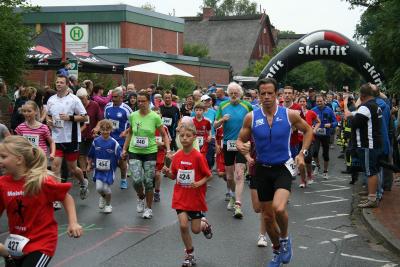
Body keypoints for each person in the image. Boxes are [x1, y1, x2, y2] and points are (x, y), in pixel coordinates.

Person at [236, 78, 313, 267]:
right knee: (268, 217)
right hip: (262, 169)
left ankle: (285, 239)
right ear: (258, 95)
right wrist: (243, 149)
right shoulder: (251, 117)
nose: (267, 96)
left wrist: (302, 154)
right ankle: (277, 250)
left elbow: (308, 130)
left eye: (270, 93)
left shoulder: (290, 114)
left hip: (283, 168)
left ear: (276, 94)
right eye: (263, 93)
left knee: (279, 208)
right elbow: (240, 140)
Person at [0, 136, 83, 266]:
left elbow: (66, 197)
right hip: (16, 244)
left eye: (3, 157)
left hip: (41, 243)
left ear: (19, 159)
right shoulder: (2, 184)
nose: (0, 161)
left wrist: (73, 223)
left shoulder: (40, 180)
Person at [162, 123, 213, 267]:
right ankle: (189, 254)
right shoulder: (177, 156)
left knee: (195, 230)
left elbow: (209, 176)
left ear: (194, 137)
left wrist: (199, 183)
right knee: (183, 225)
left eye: (188, 136)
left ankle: (204, 224)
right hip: (180, 196)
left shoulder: (198, 156)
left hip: (195, 198)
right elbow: (174, 176)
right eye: (182, 136)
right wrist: (168, 172)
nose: (184, 138)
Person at [122, 91, 171, 219]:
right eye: (139, 101)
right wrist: (124, 149)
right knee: (136, 180)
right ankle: (140, 197)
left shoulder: (155, 117)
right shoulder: (133, 115)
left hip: (150, 152)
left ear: (149, 102)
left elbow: (164, 134)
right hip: (134, 151)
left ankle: (148, 208)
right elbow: (130, 133)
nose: (141, 103)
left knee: (148, 182)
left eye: (143, 101)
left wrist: (168, 149)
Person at [46, 75, 89, 206]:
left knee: (72, 168)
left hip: (72, 138)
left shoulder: (74, 99)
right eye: (57, 82)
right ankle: (57, 197)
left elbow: (84, 117)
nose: (58, 84)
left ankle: (83, 182)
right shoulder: (51, 100)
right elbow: (48, 115)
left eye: (61, 82)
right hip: (56, 138)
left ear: (67, 85)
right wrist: (48, 121)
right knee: (55, 167)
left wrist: (69, 118)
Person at [214, 82, 252, 219]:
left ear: (240, 94)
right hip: (228, 143)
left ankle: (238, 204)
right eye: (231, 93)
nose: (234, 95)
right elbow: (215, 124)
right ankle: (231, 194)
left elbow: (254, 121)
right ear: (228, 94)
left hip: (242, 143)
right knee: (229, 177)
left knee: (240, 174)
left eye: (236, 93)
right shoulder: (223, 106)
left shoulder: (247, 106)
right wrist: (222, 120)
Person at [344, 84, 382, 208]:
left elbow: (354, 123)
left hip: (367, 145)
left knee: (370, 171)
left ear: (362, 95)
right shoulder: (375, 106)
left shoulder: (366, 107)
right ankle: (372, 194)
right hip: (374, 143)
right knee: (372, 170)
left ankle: (372, 198)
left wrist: (352, 113)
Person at [87, 120, 122, 214]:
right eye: (103, 130)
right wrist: (89, 165)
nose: (105, 132)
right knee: (99, 188)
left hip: (109, 171)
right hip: (98, 170)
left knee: (106, 188)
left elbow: (120, 156)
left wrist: (122, 163)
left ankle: (108, 205)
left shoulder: (114, 143)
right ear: (100, 130)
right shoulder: (96, 141)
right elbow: (90, 155)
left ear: (111, 130)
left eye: (107, 129)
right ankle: (103, 196)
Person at [103, 87, 132, 189]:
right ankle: (107, 177)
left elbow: (133, 124)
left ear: (121, 97)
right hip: (109, 138)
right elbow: (105, 121)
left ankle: (123, 179)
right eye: (112, 97)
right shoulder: (107, 107)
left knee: (121, 161)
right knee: (108, 158)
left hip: (121, 139)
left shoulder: (127, 109)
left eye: (115, 97)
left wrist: (126, 132)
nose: (113, 99)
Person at [76, 88, 103, 180]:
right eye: (78, 98)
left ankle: (94, 168)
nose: (80, 100)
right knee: (81, 154)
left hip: (92, 134)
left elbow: (100, 119)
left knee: (92, 154)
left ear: (87, 97)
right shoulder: (76, 106)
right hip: (81, 134)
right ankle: (84, 174)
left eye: (82, 98)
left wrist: (97, 128)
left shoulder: (94, 105)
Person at [311, 94, 338, 179]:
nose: (319, 103)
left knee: (325, 154)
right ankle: (317, 166)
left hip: (326, 135)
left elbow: (336, 122)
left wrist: (330, 125)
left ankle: (325, 171)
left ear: (324, 101)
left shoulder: (329, 110)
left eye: (320, 101)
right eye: (317, 101)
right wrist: (312, 126)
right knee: (315, 152)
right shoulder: (313, 110)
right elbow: (309, 122)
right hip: (316, 134)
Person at [298, 96, 321, 187]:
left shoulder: (311, 113)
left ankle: (310, 176)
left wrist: (314, 129)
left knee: (307, 160)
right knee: (300, 161)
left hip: (308, 140)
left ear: (306, 103)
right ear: (298, 103)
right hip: (298, 140)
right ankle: (303, 181)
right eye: (300, 101)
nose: (302, 103)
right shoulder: (296, 113)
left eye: (304, 101)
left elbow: (318, 121)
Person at [153, 107, 171, 202]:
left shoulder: (164, 128)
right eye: (154, 113)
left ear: (161, 115)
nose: (156, 115)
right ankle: (150, 188)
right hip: (148, 152)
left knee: (157, 174)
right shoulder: (147, 126)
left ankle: (157, 192)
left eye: (158, 114)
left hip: (159, 153)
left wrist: (162, 144)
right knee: (149, 175)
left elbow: (168, 141)